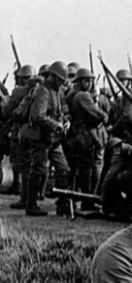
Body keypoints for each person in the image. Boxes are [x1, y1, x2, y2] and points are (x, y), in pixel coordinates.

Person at [21, 60, 71, 217]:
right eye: (61, 80)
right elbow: (38, 116)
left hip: (53, 138)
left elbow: (57, 112)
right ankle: (31, 205)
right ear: (54, 77)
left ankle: (62, 205)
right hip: (41, 138)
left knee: (63, 169)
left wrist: (64, 122)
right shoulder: (43, 91)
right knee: (38, 170)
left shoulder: (55, 91)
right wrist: (56, 125)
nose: (63, 84)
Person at [64, 67, 108, 196]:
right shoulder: (82, 95)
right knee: (87, 169)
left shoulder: (71, 94)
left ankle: (71, 199)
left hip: (76, 135)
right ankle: (87, 199)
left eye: (90, 81)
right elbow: (99, 115)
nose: (89, 84)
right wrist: (104, 114)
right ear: (79, 81)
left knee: (76, 169)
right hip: (86, 136)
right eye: (87, 81)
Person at [2, 64, 38, 209]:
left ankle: (25, 199)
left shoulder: (18, 92)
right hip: (36, 133)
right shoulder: (42, 91)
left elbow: (6, 111)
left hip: (20, 132)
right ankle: (31, 197)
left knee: (24, 166)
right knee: (33, 165)